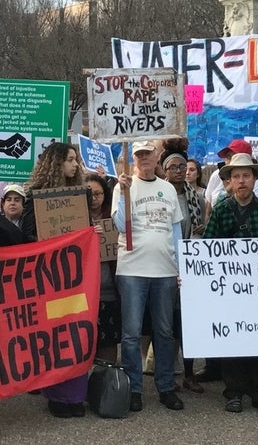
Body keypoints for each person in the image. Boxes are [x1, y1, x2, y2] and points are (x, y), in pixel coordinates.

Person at [203, 153, 258, 414]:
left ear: (254, 179)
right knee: (233, 341)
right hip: (231, 291)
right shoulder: (221, 210)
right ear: (229, 181)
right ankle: (234, 392)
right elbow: (206, 249)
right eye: (236, 176)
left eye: (246, 176)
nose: (241, 181)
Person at [112, 140, 185, 413]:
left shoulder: (167, 189)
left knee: (165, 332)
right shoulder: (123, 186)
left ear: (157, 157)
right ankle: (134, 388)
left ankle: (165, 387)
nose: (143, 158)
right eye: (139, 154)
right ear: (133, 158)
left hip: (165, 270)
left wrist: (180, 267)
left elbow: (175, 231)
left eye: (147, 154)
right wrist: (122, 193)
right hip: (132, 269)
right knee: (131, 334)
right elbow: (120, 225)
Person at [20, 142, 91, 418]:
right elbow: (27, 235)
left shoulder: (80, 194)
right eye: (70, 160)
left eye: (76, 160)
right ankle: (56, 395)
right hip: (48, 276)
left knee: (76, 331)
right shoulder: (35, 196)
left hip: (75, 275)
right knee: (53, 335)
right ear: (56, 163)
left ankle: (75, 395)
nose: (75, 165)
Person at [160, 143, 206, 394]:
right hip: (164, 264)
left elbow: (200, 227)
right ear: (164, 170)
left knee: (187, 323)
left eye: (182, 167)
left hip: (189, 268)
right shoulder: (160, 195)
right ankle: (168, 373)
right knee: (167, 325)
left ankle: (189, 374)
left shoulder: (196, 197)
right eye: (173, 167)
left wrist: (201, 232)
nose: (179, 171)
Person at [86, 173, 121, 364]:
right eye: (90, 194)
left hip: (108, 291)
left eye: (98, 194)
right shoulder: (74, 219)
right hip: (82, 295)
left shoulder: (113, 219)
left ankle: (107, 386)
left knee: (108, 343)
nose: (94, 198)